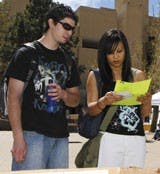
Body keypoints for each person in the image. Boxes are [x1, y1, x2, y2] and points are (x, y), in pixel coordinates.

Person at [7, 4, 80, 170]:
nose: (69, 33)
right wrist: (18, 137)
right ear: (51, 23)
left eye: (72, 29)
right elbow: (13, 97)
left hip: (60, 139)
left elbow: (75, 99)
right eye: (66, 26)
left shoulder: (68, 61)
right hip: (31, 136)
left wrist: (63, 95)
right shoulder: (26, 54)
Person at [85, 29, 151, 168]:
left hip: (136, 139)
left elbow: (144, 114)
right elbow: (91, 110)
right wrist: (103, 102)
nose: (115, 57)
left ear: (126, 51)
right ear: (104, 54)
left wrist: (146, 102)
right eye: (110, 53)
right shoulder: (96, 76)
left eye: (119, 51)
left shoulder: (138, 75)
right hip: (109, 138)